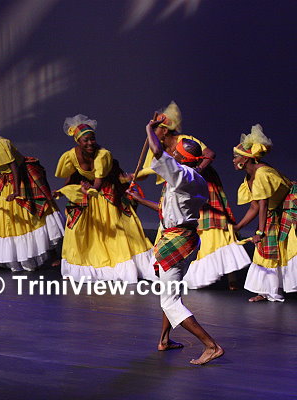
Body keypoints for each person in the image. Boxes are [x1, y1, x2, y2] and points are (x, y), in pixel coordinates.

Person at [127, 117, 224, 365]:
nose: (171, 153)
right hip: (184, 239)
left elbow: (157, 151)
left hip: (177, 242)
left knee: (169, 301)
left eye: (175, 152)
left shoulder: (183, 176)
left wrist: (149, 129)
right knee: (171, 293)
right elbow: (166, 209)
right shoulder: (191, 178)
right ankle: (164, 339)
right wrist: (139, 200)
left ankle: (211, 346)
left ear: (181, 158)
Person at [135, 102, 250, 290]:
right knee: (172, 222)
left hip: (198, 184)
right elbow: (150, 168)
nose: (153, 135)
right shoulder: (158, 146)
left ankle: (231, 276)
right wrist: (131, 177)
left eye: (156, 130)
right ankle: (182, 274)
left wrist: (196, 172)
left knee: (213, 227)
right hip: (177, 185)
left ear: (164, 130)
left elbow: (209, 153)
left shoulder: (185, 141)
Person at [0, 111, 64, 271]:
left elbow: (13, 166)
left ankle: (53, 254)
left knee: (32, 213)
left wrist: (16, 191)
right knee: (1, 218)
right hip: (4, 179)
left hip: (21, 176)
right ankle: (2, 260)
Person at [54, 115, 154, 283]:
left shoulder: (103, 155)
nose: (90, 143)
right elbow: (71, 177)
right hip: (88, 192)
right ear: (78, 141)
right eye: (85, 140)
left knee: (113, 230)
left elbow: (98, 184)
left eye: (92, 139)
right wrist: (61, 192)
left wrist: (89, 189)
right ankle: (86, 264)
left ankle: (118, 265)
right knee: (79, 229)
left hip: (105, 192)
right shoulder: (71, 156)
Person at [232, 124, 297, 302]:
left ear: (246, 159)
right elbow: (255, 206)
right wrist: (238, 226)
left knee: (290, 245)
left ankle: (271, 290)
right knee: (268, 249)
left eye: (236, 157)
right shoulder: (250, 176)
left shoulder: (262, 173)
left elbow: (263, 203)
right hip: (275, 211)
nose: (233, 160)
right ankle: (268, 291)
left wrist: (260, 232)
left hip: (291, 207)